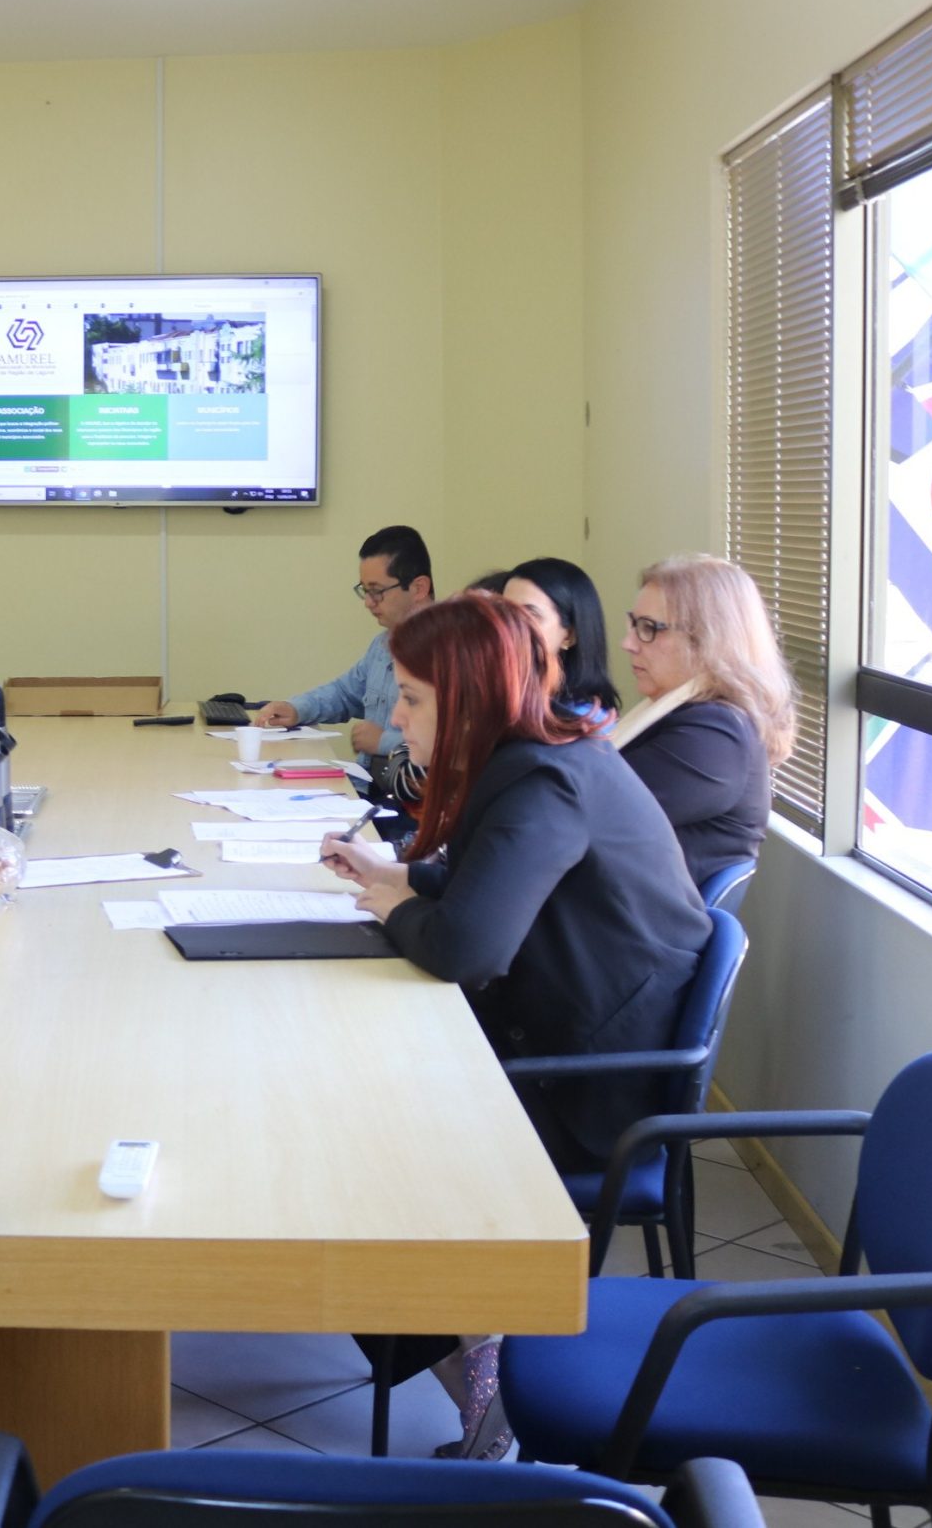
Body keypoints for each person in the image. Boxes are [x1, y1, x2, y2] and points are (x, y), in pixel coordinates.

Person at [321, 593, 708, 1460]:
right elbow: (470, 882)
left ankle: (492, 1397)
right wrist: (401, 876)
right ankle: (479, 1372)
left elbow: (466, 946)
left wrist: (393, 905)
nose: (396, 715)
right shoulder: (529, 759)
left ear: (465, 698)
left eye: (414, 697)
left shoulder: (545, 780)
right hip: (554, 1040)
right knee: (345, 1123)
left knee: (347, 1151)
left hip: (589, 1087)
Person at [613, 554, 796, 888]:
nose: (628, 644)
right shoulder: (688, 714)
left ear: (707, 641)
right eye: (634, 624)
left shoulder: (717, 738)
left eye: (649, 629)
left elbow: (587, 807)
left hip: (628, 930)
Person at [252, 525, 435, 772]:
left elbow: (458, 744)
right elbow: (345, 693)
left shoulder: (450, 652)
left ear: (418, 588)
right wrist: (296, 709)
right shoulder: (383, 645)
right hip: (366, 785)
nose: (369, 603)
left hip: (410, 799)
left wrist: (384, 742)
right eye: (365, 591)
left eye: (377, 591)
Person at [502, 557, 621, 724]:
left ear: (569, 635)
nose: (509, 626)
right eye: (504, 612)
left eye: (530, 615)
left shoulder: (585, 723)